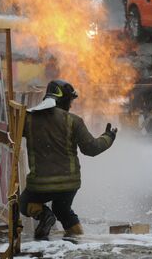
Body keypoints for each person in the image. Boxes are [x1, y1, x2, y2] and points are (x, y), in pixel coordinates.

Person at [19, 80, 116, 239]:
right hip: (69, 184)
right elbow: (91, 149)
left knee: (24, 203)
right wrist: (109, 137)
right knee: (63, 211)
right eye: (70, 101)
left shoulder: (29, 119)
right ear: (62, 99)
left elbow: (11, 134)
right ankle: (78, 240)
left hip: (41, 184)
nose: (71, 106)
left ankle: (44, 215)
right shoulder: (73, 121)